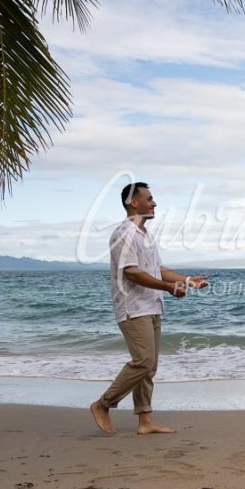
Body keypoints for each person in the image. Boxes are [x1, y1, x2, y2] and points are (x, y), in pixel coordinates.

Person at [90, 182, 208, 435]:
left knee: (149, 365)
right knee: (143, 361)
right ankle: (103, 404)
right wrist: (168, 288)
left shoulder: (145, 235)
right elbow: (132, 272)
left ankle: (145, 421)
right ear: (133, 202)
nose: (154, 203)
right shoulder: (124, 234)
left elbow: (158, 270)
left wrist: (186, 281)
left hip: (151, 305)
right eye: (149, 198)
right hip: (133, 308)